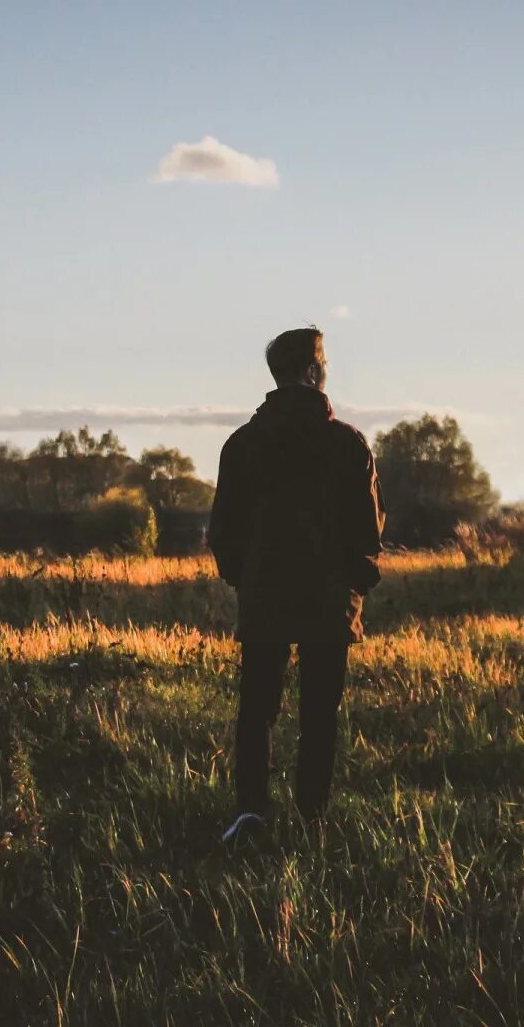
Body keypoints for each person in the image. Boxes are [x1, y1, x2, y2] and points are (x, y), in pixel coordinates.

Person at [207, 327, 384, 844]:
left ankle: (251, 814)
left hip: (263, 597)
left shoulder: (242, 444)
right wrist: (356, 580)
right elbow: (368, 528)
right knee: (319, 712)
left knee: (256, 707)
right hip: (330, 602)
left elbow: (224, 530)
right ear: (312, 373)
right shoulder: (347, 444)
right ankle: (312, 817)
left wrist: (246, 579)